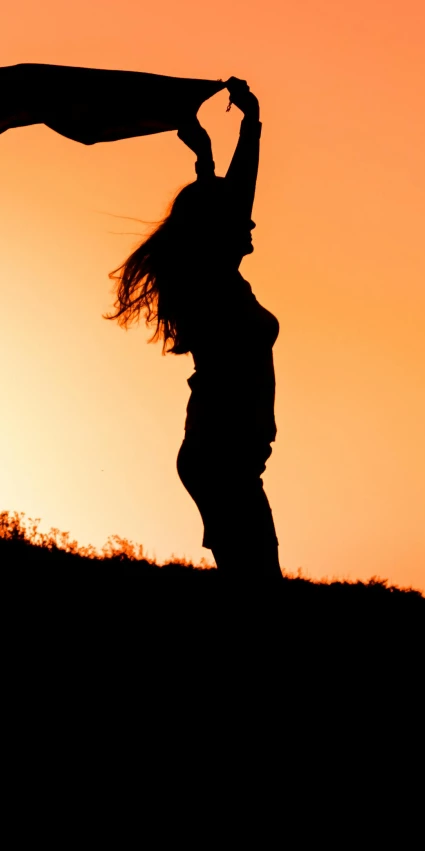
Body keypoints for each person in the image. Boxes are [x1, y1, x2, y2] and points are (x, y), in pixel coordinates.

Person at [109, 78, 280, 580]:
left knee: (251, 576)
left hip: (227, 453)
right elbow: (230, 204)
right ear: (216, 231)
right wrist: (240, 137)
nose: (250, 224)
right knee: (256, 580)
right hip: (221, 452)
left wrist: (239, 135)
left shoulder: (216, 276)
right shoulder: (211, 281)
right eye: (238, 220)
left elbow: (228, 203)